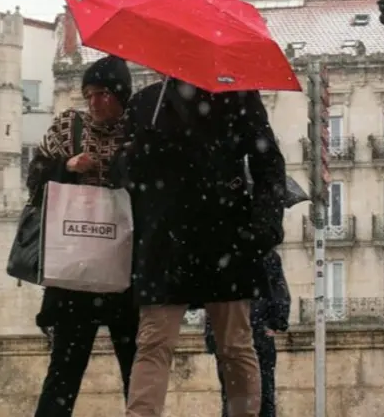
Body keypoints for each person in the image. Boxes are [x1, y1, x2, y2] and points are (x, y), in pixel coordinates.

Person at [122, 80, 287, 417]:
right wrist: (134, 154)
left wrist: (263, 227)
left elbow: (268, 163)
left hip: (225, 234)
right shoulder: (145, 103)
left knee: (235, 345)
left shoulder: (240, 96)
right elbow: (125, 178)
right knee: (153, 343)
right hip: (165, 241)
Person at [25, 55, 139, 417]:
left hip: (126, 267)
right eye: (88, 94)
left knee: (136, 369)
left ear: (121, 94)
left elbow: (156, 187)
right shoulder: (68, 127)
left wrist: (125, 169)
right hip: (74, 268)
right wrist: (67, 166)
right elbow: (34, 182)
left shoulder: (139, 130)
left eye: (102, 93)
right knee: (64, 369)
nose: (94, 102)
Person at [205, 249, 291, 417]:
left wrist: (274, 323)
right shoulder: (264, 254)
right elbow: (279, 291)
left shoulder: (225, 254)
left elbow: (278, 291)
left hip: (246, 333)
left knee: (242, 393)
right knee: (251, 392)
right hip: (246, 332)